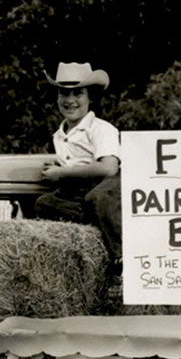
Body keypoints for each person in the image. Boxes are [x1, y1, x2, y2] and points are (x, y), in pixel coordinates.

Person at [32, 61, 124, 266]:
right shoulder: (59, 136)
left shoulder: (100, 128)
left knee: (97, 198)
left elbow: (109, 168)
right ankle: (90, 244)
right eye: (64, 93)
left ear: (90, 97)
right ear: (57, 97)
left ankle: (122, 254)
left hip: (109, 186)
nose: (70, 100)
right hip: (82, 191)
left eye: (78, 93)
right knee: (44, 204)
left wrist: (62, 173)